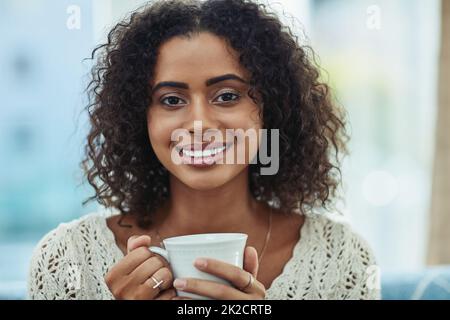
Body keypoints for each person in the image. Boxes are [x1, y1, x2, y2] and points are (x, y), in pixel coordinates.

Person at [28, 0, 381, 300]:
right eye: (171, 100)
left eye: (227, 96)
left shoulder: (344, 260)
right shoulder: (68, 258)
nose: (199, 124)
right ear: (140, 119)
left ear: (271, 109)